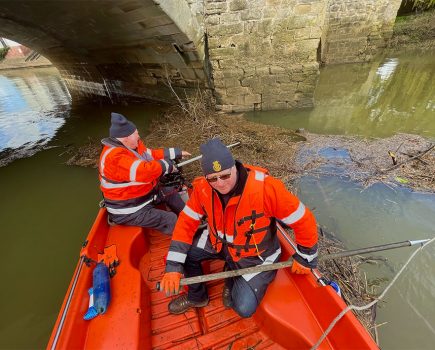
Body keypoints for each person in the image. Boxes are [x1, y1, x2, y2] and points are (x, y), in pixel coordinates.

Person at [159, 138, 318, 317]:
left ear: (234, 166)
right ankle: (197, 297)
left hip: (254, 255)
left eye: (225, 175)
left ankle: (231, 276)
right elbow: (185, 223)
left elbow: (303, 219)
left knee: (243, 307)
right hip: (219, 244)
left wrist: (305, 257)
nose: (220, 183)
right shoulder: (202, 189)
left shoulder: (267, 189)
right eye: (213, 178)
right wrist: (173, 266)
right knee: (186, 254)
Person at [99, 112, 191, 235]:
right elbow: (145, 172)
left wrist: (176, 153)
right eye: (135, 133)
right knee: (170, 219)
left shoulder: (134, 145)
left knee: (171, 192)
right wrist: (168, 166)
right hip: (129, 210)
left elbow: (151, 155)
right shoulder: (115, 158)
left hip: (144, 196)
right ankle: (188, 241)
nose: (138, 135)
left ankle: (191, 219)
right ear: (126, 138)